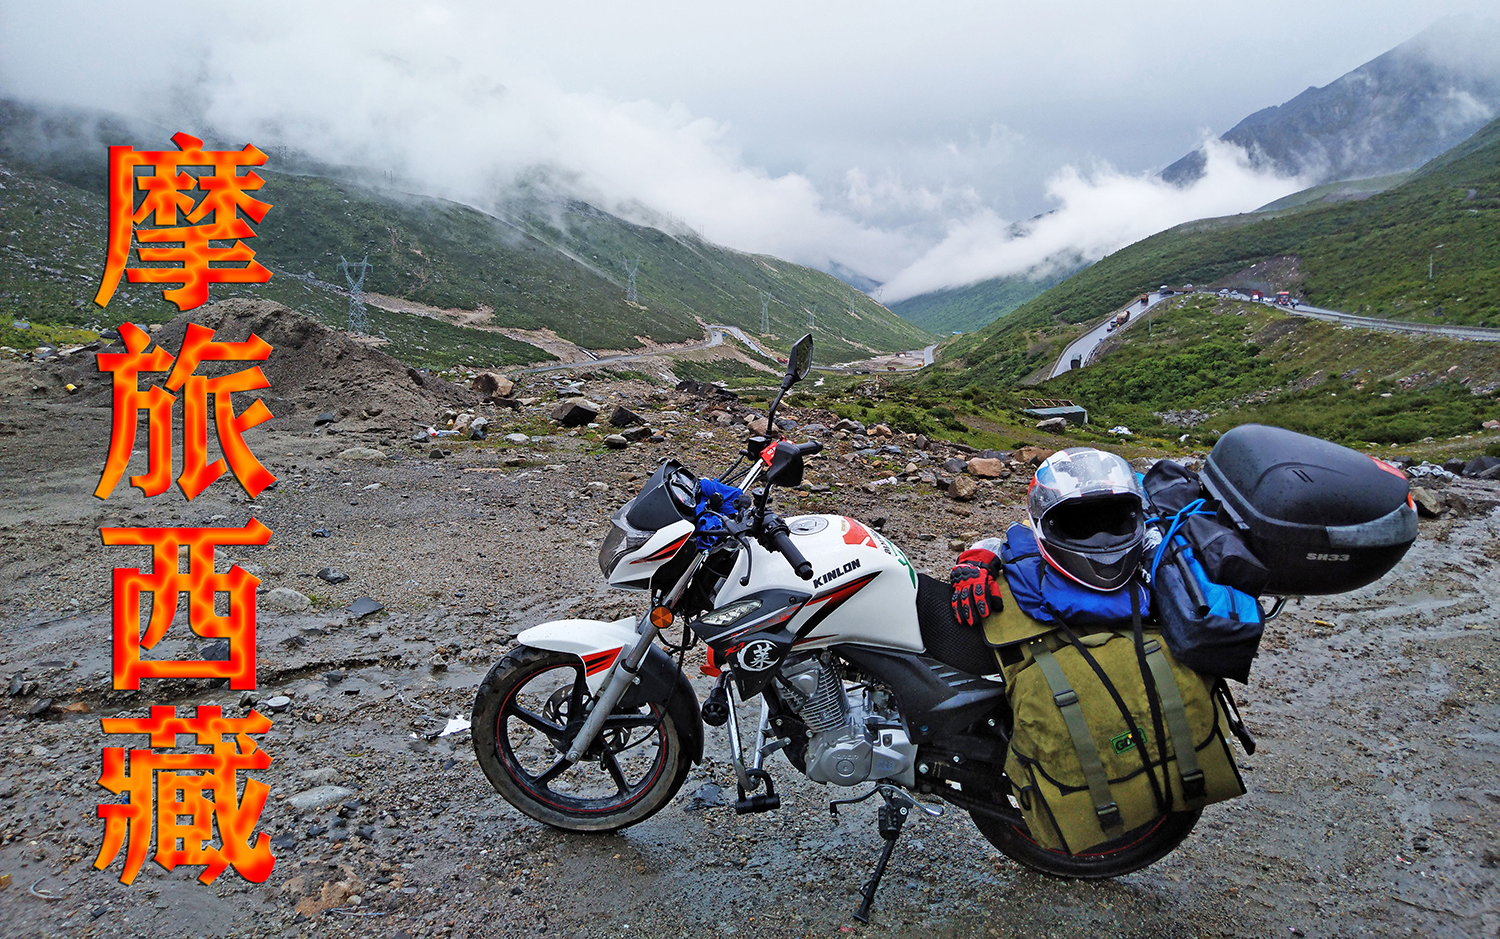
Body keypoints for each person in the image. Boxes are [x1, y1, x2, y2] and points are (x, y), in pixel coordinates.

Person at [950, 447, 1149, 628]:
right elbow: (1004, 542)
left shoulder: (1157, 551)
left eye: (1112, 520)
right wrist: (976, 558)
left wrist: (976, 558)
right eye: (1081, 523)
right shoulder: (1158, 556)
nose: (1101, 538)